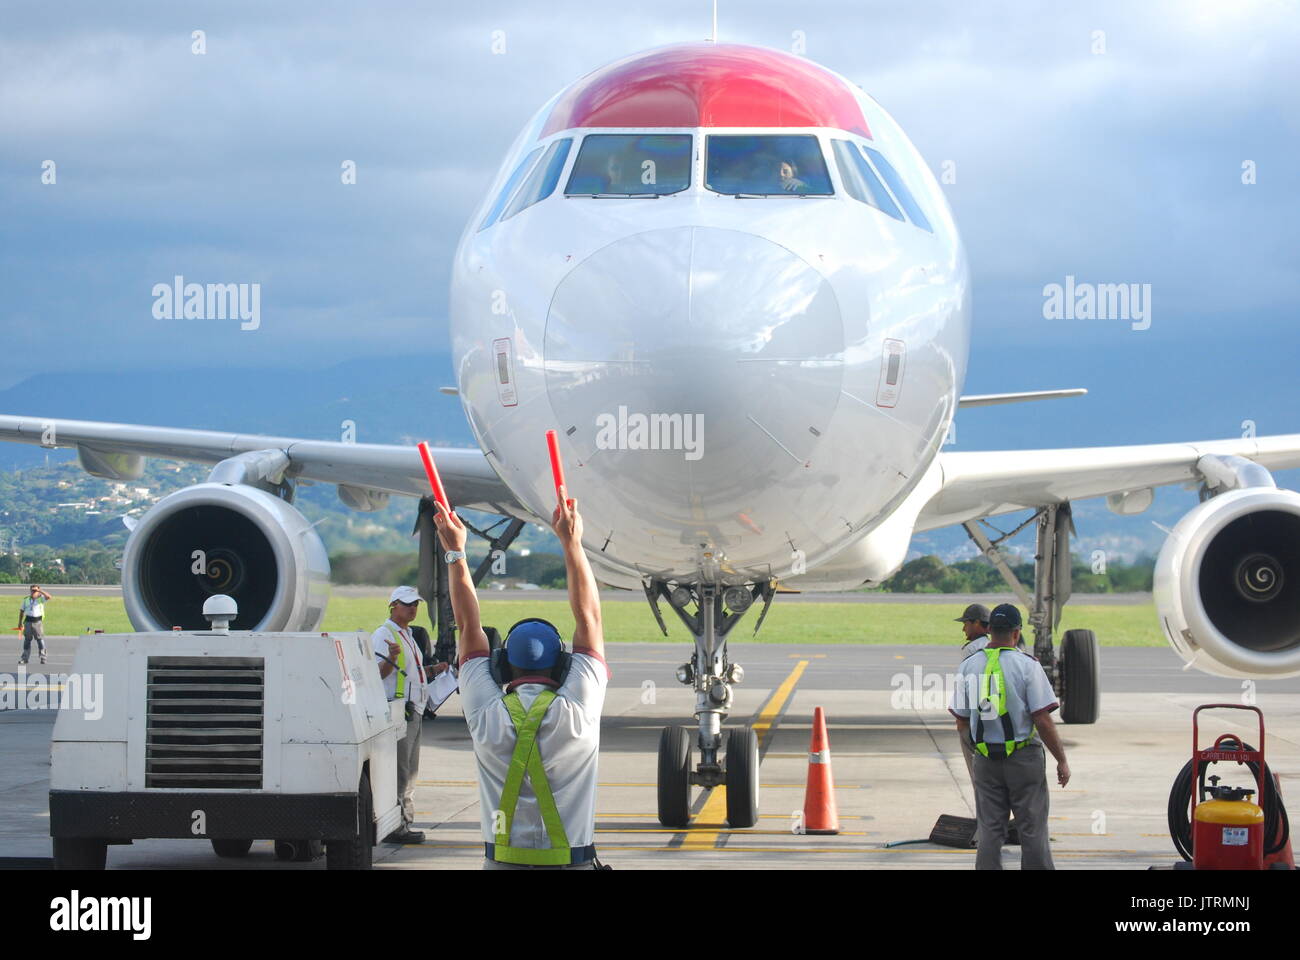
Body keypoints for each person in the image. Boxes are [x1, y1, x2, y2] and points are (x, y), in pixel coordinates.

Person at [432, 486, 609, 869]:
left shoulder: (485, 711)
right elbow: (589, 619)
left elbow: (467, 625)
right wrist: (571, 544)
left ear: (502, 667)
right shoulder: (578, 707)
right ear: (562, 667)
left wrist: (456, 551)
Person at [949, 603, 1070, 870]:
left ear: (989, 630)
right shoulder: (1027, 666)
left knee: (990, 830)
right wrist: (1061, 759)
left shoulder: (969, 666)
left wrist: (978, 754)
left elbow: (961, 721)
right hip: (1023, 757)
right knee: (1032, 828)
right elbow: (1042, 718)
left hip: (985, 759)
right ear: (1016, 633)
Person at [372, 585, 430, 844]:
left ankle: (404, 821)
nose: (413, 608)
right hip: (399, 711)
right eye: (407, 604)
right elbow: (377, 675)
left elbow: (410, 673)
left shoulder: (406, 634)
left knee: (410, 770)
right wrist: (390, 659)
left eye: (416, 604)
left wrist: (434, 671)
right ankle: (397, 826)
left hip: (413, 710)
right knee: (401, 770)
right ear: (393, 605)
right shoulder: (384, 635)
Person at [953, 603, 991, 783]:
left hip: (976, 720)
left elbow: (966, 685)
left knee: (977, 774)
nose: (963, 628)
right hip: (995, 717)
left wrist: (962, 722)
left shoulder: (971, 649)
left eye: (966, 623)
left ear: (977, 623)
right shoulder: (994, 644)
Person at [18, 585, 51, 665]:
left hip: (37, 622)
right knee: (27, 640)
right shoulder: (26, 600)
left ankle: (43, 658)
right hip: (28, 622)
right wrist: (20, 622)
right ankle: (25, 658)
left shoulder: (41, 599)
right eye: (32, 590)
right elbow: (22, 611)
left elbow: (49, 597)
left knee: (40, 640)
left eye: (35, 590)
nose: (33, 592)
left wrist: (40, 591)